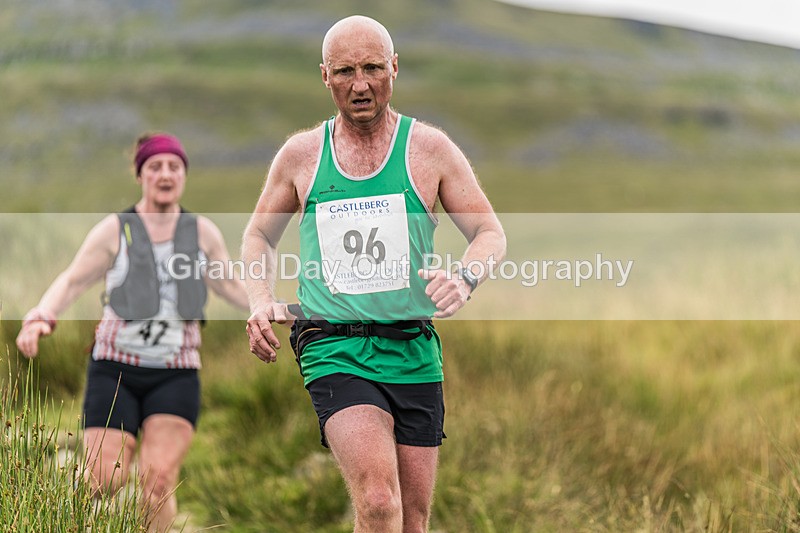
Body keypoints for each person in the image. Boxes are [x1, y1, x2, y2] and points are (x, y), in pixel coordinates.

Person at [242, 15, 506, 533]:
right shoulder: (302, 155)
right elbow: (257, 236)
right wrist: (259, 299)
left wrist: (465, 277)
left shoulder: (429, 149)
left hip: (412, 350)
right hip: (333, 345)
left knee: (412, 518)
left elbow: (490, 232)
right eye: (344, 71)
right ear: (324, 76)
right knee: (380, 502)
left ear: (395, 68)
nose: (359, 84)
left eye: (372, 68)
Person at [16, 133, 250, 532]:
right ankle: (47, 521)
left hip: (176, 372)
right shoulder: (114, 230)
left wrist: (269, 309)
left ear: (184, 176)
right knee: (105, 478)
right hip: (114, 369)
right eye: (154, 166)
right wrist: (42, 315)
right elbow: (72, 281)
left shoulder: (202, 232)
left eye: (174, 166)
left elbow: (228, 285)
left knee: (157, 480)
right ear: (139, 175)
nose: (165, 174)